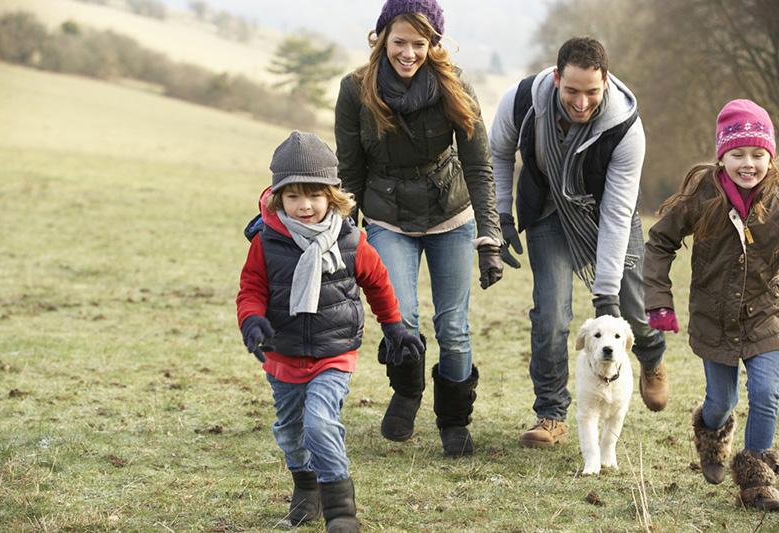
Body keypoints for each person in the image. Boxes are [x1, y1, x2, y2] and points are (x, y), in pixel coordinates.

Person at [334, 0, 504, 457]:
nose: (408, 53)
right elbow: (349, 174)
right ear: (382, 37)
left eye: (419, 44)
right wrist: (345, 241)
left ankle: (453, 419)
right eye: (400, 42)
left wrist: (489, 237)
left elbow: (479, 166)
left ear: (433, 45)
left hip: (450, 214)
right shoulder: (355, 90)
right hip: (388, 215)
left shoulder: (454, 85)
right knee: (401, 317)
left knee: (454, 326)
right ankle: (407, 392)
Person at [236, 131, 424, 532]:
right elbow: (250, 289)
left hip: (333, 354)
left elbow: (377, 282)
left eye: (315, 195)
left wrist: (395, 327)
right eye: (293, 196)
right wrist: (252, 321)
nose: (305, 206)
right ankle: (307, 489)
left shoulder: (352, 241)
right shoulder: (266, 242)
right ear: (277, 198)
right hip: (281, 354)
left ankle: (341, 513)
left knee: (320, 422)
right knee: (290, 432)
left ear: (332, 195)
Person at [489, 37, 668, 448]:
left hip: (606, 215)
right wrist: (499, 215)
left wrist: (606, 296)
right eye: (571, 91)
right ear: (556, 79)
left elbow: (618, 214)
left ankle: (652, 355)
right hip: (549, 214)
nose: (582, 102)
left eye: (592, 91)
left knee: (631, 313)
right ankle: (550, 414)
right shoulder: (522, 101)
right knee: (551, 316)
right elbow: (498, 152)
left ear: (606, 81)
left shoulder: (626, 127)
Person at [644, 99, 779, 510]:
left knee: (767, 392)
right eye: (738, 155)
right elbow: (659, 243)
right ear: (722, 156)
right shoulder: (701, 195)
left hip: (765, 316)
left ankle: (757, 479)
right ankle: (711, 432)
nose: (749, 164)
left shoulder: (775, 198)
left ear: (770, 156)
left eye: (758, 155)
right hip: (713, 319)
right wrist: (659, 303)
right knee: (722, 401)